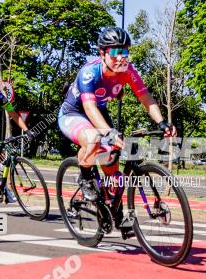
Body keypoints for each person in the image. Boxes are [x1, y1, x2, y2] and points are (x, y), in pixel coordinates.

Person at [57, 27, 177, 229]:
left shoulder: (128, 71)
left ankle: (114, 209)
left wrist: (162, 122)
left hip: (99, 113)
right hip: (74, 113)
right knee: (94, 138)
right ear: (102, 53)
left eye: (125, 52)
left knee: (114, 170)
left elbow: (145, 98)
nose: (121, 57)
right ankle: (85, 177)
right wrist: (107, 132)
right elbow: (89, 107)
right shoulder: (89, 72)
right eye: (115, 52)